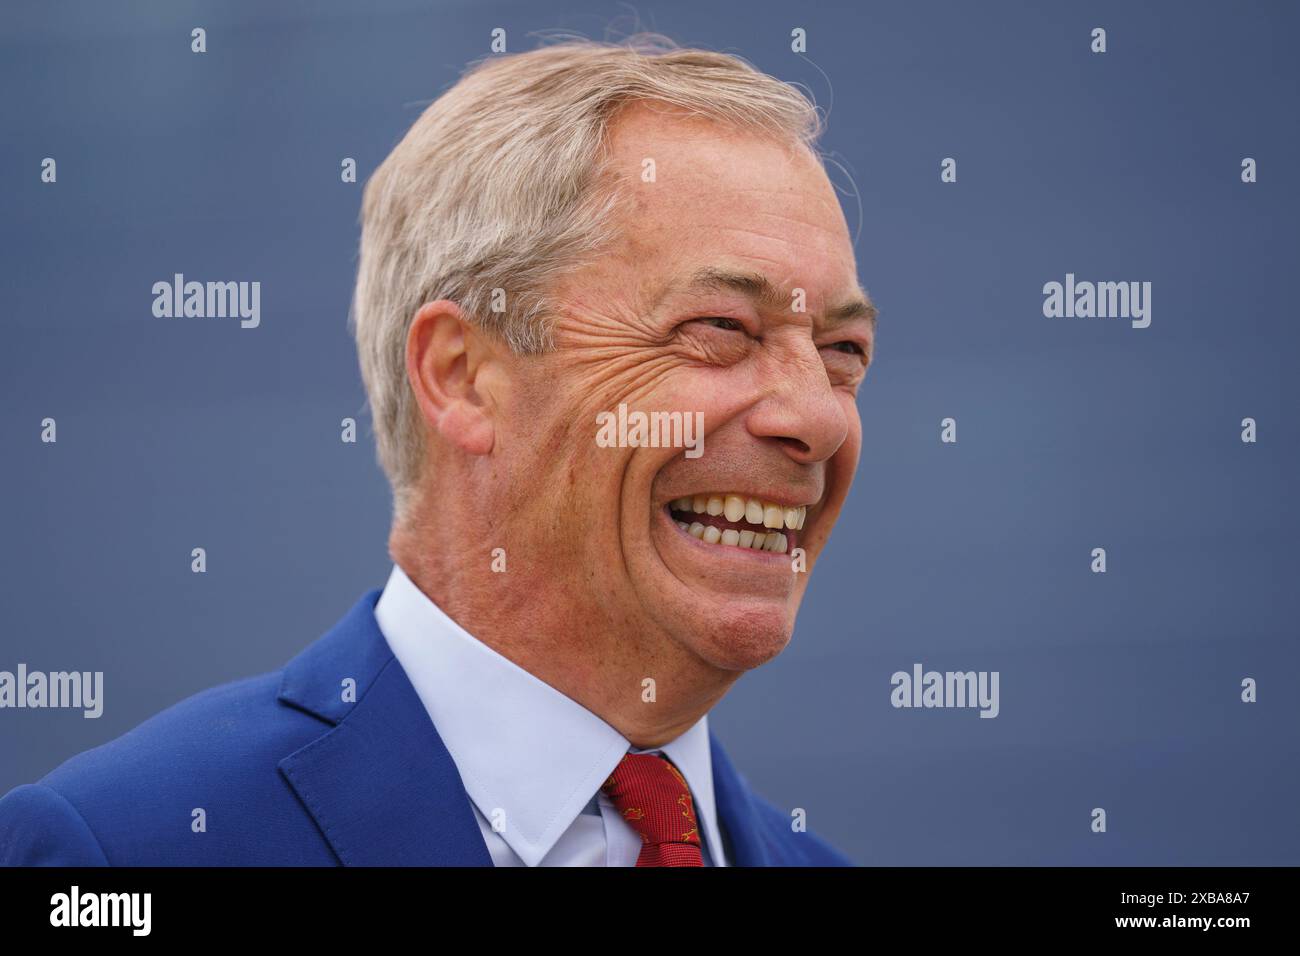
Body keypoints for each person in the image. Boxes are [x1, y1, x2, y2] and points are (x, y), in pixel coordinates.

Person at [0, 34, 874, 866]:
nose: (820, 419)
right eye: (720, 328)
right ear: (463, 377)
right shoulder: (125, 847)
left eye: (843, 353)